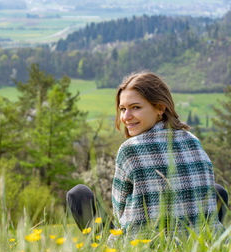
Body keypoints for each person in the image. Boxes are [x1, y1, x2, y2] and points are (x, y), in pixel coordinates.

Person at [67, 71, 228, 238]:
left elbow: (119, 213)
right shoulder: (194, 141)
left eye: (136, 107)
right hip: (199, 244)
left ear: (160, 108)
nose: (126, 117)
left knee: (78, 194)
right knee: (218, 191)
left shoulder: (129, 150)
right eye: (123, 109)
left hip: (143, 249)